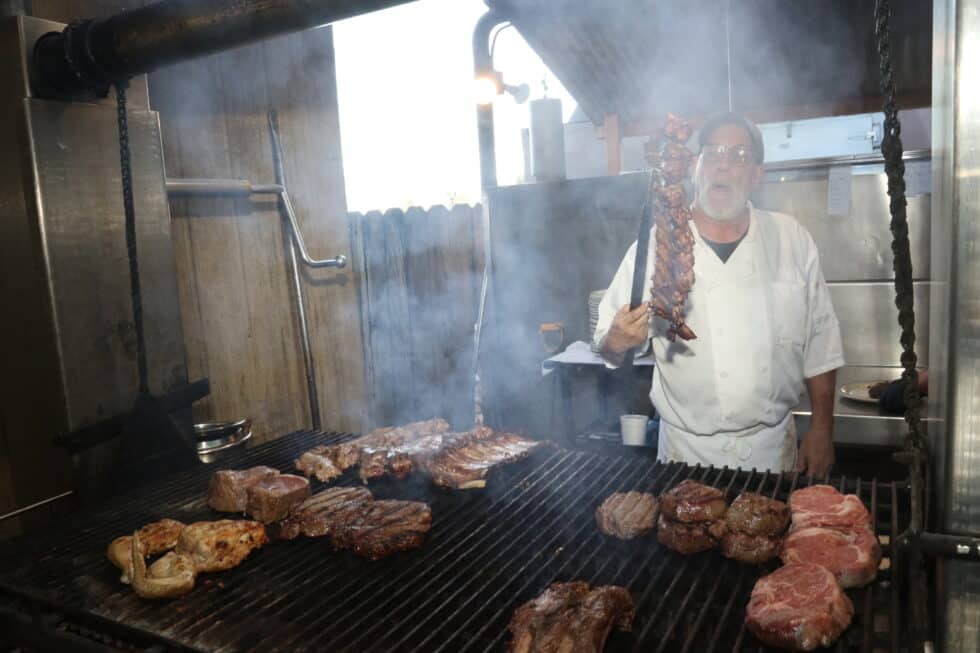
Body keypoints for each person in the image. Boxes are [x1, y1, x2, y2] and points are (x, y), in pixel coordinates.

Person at [593, 112, 844, 477]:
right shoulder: (655, 247)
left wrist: (822, 428)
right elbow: (607, 345)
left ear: (758, 174)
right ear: (694, 167)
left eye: (739, 155)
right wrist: (616, 340)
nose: (723, 165)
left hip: (772, 453)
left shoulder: (792, 240)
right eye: (713, 153)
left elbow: (821, 343)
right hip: (684, 456)